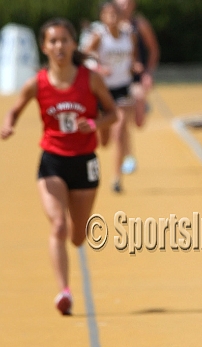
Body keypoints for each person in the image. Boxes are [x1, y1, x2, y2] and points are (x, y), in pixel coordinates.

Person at [1, 18, 117, 315]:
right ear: (44, 47)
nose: (59, 46)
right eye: (53, 41)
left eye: (64, 40)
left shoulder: (90, 79)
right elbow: (13, 110)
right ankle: (64, 291)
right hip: (52, 160)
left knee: (78, 235)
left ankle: (76, 242)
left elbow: (113, 114)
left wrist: (93, 124)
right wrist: (8, 125)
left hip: (85, 162)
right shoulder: (37, 83)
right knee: (58, 225)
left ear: (73, 44)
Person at [84, 0, 141, 192]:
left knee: (119, 130)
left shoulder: (129, 35)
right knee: (105, 140)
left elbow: (132, 57)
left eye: (115, 14)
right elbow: (84, 55)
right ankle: (103, 131)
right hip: (103, 90)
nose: (112, 18)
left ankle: (116, 178)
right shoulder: (99, 36)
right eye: (108, 14)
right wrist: (99, 67)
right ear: (102, 17)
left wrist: (135, 66)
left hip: (122, 88)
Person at [113, 0, 160, 173]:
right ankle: (127, 158)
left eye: (127, 2)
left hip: (136, 78)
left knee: (137, 122)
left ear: (133, 4)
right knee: (120, 123)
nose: (123, 6)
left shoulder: (139, 24)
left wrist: (148, 72)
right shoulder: (108, 27)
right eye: (120, 2)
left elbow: (153, 49)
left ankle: (139, 107)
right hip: (118, 82)